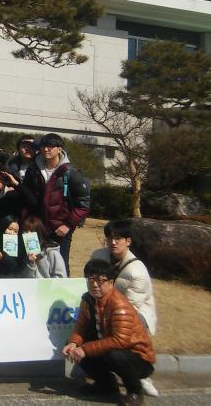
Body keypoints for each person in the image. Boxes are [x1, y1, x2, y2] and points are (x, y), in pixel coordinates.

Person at [63, 258, 156, 406]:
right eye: (91, 279)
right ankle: (106, 385)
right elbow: (81, 328)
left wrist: (85, 349)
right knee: (74, 347)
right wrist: (74, 343)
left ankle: (135, 393)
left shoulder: (119, 304)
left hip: (138, 358)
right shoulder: (88, 299)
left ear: (111, 282)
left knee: (114, 355)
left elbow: (120, 341)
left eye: (100, 280)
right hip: (111, 349)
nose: (94, 284)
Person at [91, 219, 159, 397]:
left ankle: (139, 376)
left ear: (128, 241)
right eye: (110, 238)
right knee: (85, 336)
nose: (113, 242)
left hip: (135, 313)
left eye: (118, 239)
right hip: (106, 308)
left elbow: (129, 309)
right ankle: (105, 381)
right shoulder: (98, 256)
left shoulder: (138, 271)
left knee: (119, 341)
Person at [22, 133, 90, 271]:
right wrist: (26, 220)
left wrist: (68, 225)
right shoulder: (33, 169)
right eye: (43, 146)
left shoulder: (70, 172)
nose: (46, 149)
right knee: (32, 263)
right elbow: (25, 196)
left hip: (59, 230)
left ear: (59, 149)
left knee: (60, 266)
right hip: (34, 227)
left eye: (50, 146)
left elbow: (83, 205)